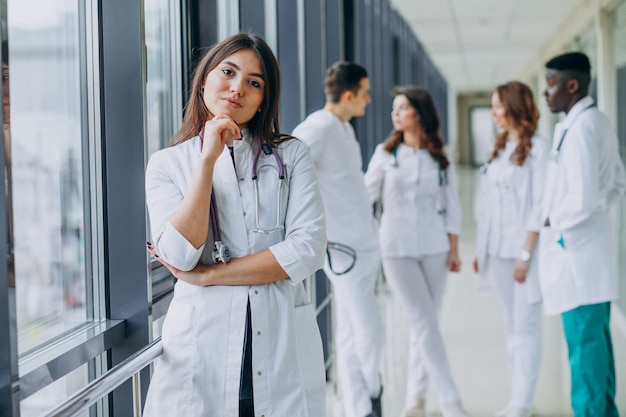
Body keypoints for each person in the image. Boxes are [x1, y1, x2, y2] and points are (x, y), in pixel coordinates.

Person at [143, 32, 327, 417]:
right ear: (205, 78)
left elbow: (307, 249)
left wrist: (209, 277)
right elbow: (179, 254)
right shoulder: (168, 164)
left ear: (263, 100)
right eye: (228, 71)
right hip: (201, 351)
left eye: (254, 82)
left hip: (279, 346)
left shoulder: (290, 155)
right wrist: (207, 160)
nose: (237, 87)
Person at [364, 86, 469, 417]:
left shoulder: (440, 159)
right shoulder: (385, 155)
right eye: (394, 108)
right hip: (395, 248)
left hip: (435, 247)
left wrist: (454, 250)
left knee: (424, 324)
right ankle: (451, 400)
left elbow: (452, 208)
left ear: (420, 114)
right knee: (424, 322)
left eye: (402, 107)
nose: (395, 113)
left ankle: (415, 399)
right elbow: (364, 198)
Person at [292, 61, 384, 417]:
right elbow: (289, 171)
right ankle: (373, 394)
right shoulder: (319, 127)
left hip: (361, 243)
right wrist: (316, 229)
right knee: (369, 329)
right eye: (364, 93)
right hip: (345, 250)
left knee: (348, 334)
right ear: (348, 95)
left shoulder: (343, 129)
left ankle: (358, 407)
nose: (369, 100)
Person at [539, 51, 626, 417]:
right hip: (585, 253)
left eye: (551, 84)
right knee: (595, 349)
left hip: (580, 260)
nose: (546, 93)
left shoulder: (585, 128)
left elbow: (584, 197)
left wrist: (551, 221)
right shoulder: (589, 123)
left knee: (586, 353)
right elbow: (616, 184)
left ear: (572, 85)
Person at [473, 81, 549, 417]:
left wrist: (526, 253)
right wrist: (482, 249)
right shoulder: (500, 148)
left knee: (527, 325)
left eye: (498, 106)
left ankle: (523, 402)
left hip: (525, 253)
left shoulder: (541, 150)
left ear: (515, 107)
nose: (493, 113)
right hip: (499, 251)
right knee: (512, 325)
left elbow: (540, 205)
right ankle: (517, 397)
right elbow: (486, 203)